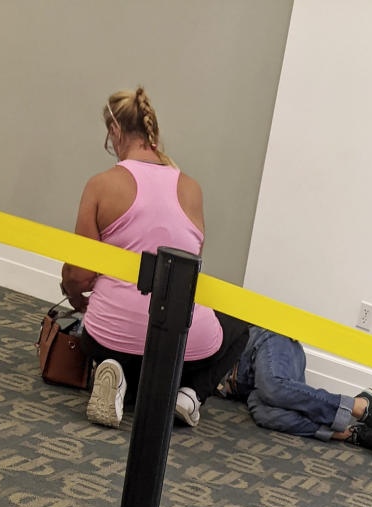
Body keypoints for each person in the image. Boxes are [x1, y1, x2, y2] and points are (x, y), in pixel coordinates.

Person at [61, 88, 248, 430]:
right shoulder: (192, 189)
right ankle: (189, 394)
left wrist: (74, 297)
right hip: (178, 348)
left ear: (114, 132)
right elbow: (188, 272)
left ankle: (114, 372)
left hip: (112, 336)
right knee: (238, 330)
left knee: (104, 330)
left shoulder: (101, 185)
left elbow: (81, 275)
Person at [218, 326, 372, 457]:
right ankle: (348, 433)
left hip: (266, 341)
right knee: (264, 414)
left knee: (272, 386)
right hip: (250, 387)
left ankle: (360, 405)